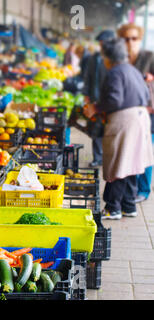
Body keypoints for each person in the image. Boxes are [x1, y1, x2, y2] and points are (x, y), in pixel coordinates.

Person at [83, 38, 154, 220]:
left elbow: (115, 100)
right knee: (131, 164)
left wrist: (95, 108)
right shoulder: (133, 70)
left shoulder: (115, 72)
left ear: (107, 57)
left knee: (117, 163)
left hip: (125, 121)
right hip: (140, 119)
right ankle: (129, 206)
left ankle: (113, 207)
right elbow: (146, 95)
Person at [118, 23, 154, 203]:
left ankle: (143, 190)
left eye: (134, 38)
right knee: (129, 151)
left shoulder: (149, 57)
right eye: (126, 39)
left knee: (145, 151)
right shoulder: (120, 59)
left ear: (140, 39)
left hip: (147, 113)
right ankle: (128, 191)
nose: (130, 42)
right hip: (126, 113)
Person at [82, 30, 116, 168]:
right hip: (94, 99)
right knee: (95, 129)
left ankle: (109, 157)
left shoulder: (115, 59)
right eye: (101, 43)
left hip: (107, 100)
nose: (101, 46)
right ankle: (97, 157)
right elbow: (88, 77)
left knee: (108, 131)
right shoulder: (93, 58)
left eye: (104, 43)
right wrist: (86, 94)